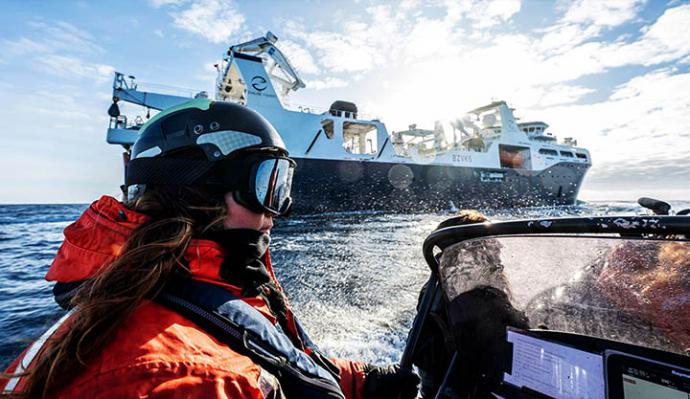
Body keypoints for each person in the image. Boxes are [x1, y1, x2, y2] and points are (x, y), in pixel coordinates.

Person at [1, 99, 419, 399]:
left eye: (283, 187)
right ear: (202, 190)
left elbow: (277, 366)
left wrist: (364, 382)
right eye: (269, 186)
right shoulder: (183, 378)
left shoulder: (160, 290)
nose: (276, 214)